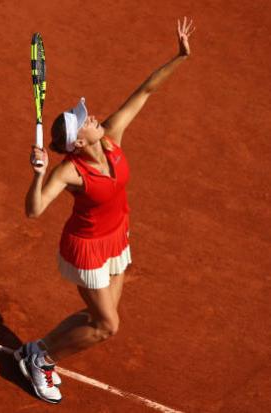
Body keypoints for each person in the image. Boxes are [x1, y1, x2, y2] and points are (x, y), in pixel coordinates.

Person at [15, 18, 195, 404]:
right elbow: (34, 211)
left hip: (117, 235)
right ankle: (42, 360)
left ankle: (37, 348)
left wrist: (178, 56)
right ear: (79, 141)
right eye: (86, 121)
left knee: (100, 317)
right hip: (87, 248)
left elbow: (145, 91)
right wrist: (39, 174)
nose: (93, 116)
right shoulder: (69, 171)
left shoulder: (112, 135)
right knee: (107, 326)